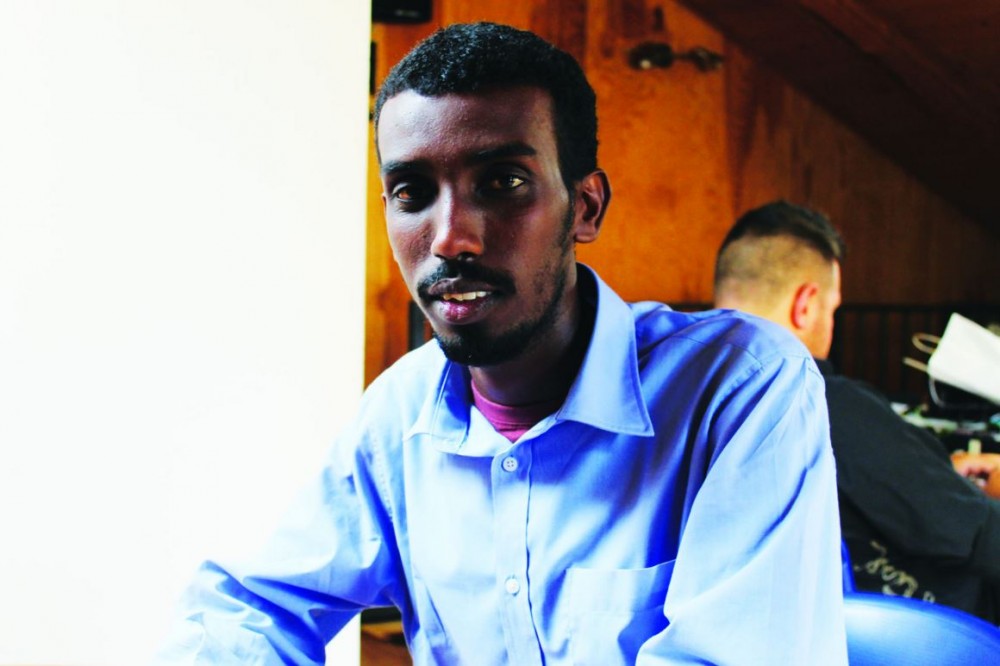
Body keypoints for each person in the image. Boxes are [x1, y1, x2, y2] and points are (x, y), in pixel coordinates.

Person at [156, 24, 847, 664]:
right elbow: (246, 609)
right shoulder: (401, 415)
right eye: (412, 192)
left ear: (585, 207)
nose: (451, 238)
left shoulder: (739, 387)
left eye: (503, 183)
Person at [714, 200, 1000, 623]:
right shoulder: (827, 404)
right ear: (806, 305)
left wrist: (936, 470)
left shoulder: (686, 395)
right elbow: (969, 532)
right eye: (833, 310)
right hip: (933, 634)